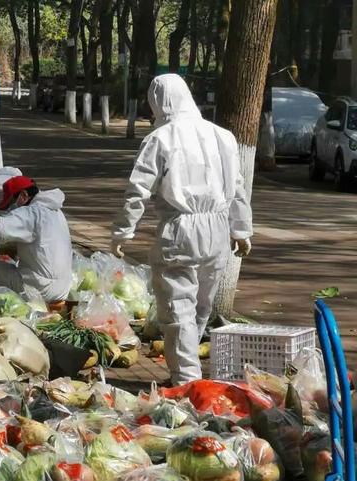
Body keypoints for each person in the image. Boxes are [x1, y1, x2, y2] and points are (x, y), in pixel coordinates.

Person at [110, 74, 253, 386]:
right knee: (201, 305)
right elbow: (238, 187)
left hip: (180, 230)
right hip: (217, 229)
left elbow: (138, 191)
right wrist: (241, 229)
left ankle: (187, 382)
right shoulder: (223, 136)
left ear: (158, 103)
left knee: (178, 309)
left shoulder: (160, 138)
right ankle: (189, 375)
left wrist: (123, 232)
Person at [0, 176, 73, 303]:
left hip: (41, 289)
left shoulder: (31, 213)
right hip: (64, 287)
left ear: (24, 195)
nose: (12, 209)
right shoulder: (55, 211)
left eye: (12, 203)